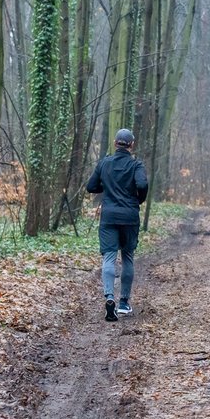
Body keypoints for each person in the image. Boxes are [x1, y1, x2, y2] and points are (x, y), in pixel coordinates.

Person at [86, 129, 148, 321]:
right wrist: (138, 200)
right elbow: (143, 184)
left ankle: (109, 297)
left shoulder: (105, 163)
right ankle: (123, 303)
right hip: (129, 216)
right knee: (127, 256)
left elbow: (91, 187)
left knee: (109, 257)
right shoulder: (136, 164)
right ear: (131, 145)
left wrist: (107, 187)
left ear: (115, 144)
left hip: (109, 216)